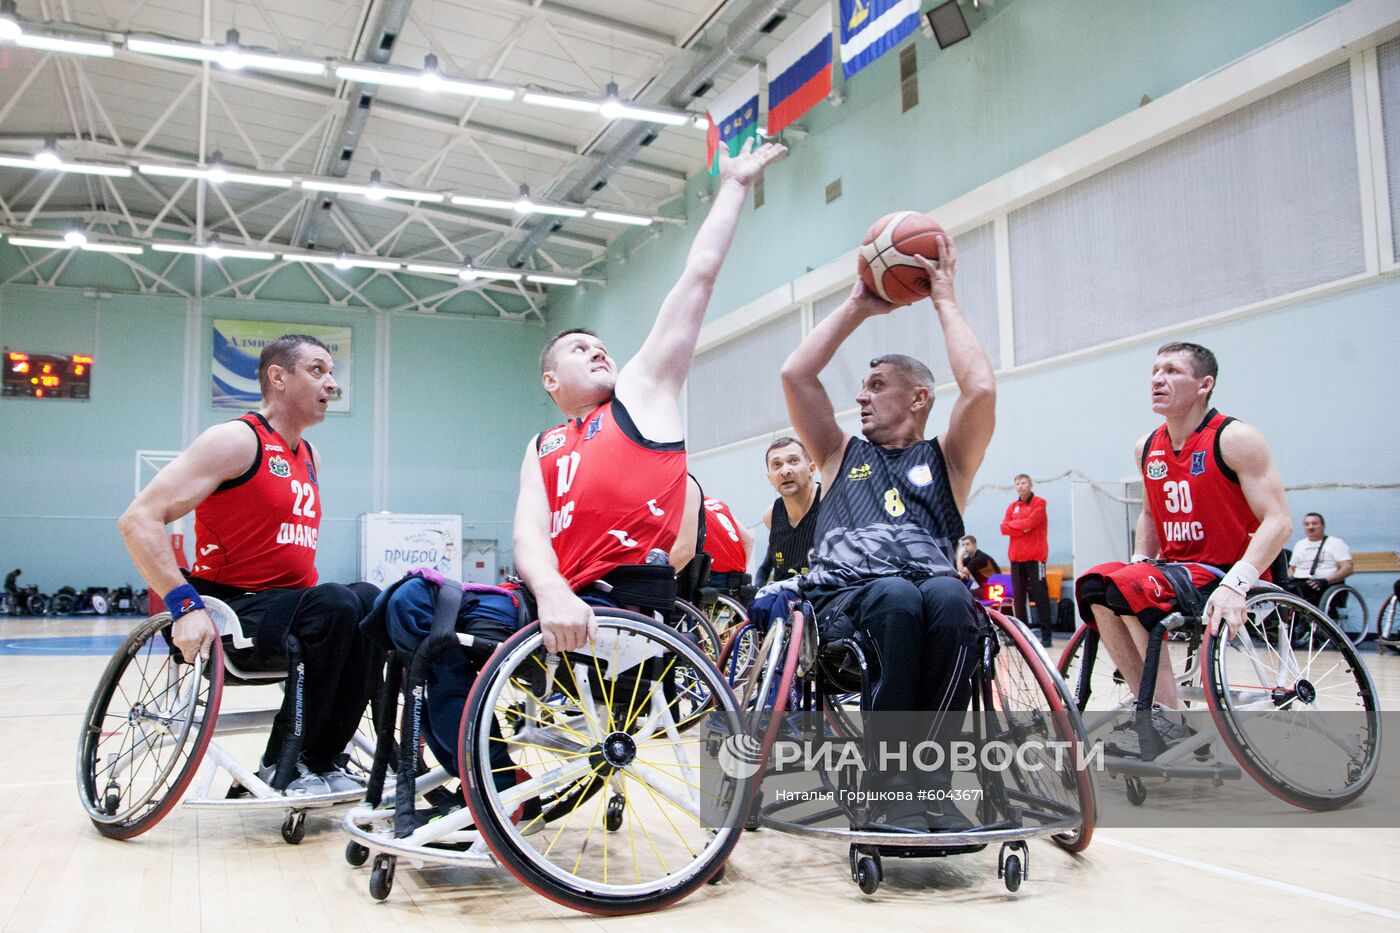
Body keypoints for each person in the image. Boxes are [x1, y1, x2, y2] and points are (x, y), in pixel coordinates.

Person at [375, 138, 787, 778]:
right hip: (550, 606)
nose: (598, 352)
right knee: (405, 605)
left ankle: (483, 784)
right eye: (579, 349)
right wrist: (552, 592)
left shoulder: (642, 397)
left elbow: (697, 277)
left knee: (414, 608)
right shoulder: (542, 445)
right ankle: (491, 779)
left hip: (621, 611)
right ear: (549, 380)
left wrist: (733, 185)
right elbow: (527, 536)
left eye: (601, 346)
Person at [780, 229, 996, 831]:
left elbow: (979, 388)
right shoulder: (837, 452)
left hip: (928, 597)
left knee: (952, 595)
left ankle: (931, 784)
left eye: (877, 385)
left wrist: (944, 298)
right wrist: (858, 304)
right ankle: (886, 782)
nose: (861, 396)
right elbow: (797, 376)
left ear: (920, 397)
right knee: (898, 595)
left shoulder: (947, 460)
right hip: (846, 601)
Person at [118, 334, 379, 795]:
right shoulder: (236, 440)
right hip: (228, 609)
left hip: (290, 607)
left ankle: (323, 759)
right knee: (338, 604)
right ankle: (284, 764)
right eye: (318, 370)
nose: (332, 383)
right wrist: (183, 605)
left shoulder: (310, 455)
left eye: (332, 373)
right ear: (278, 377)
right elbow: (138, 519)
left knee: (370, 600)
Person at [1074, 342, 1291, 757]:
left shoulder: (1235, 438)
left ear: (1204, 384)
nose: (1158, 379)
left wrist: (1239, 583)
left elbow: (1279, 521)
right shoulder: (1147, 447)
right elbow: (1151, 516)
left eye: (1172, 371)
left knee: (1129, 586)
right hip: (1176, 571)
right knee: (1094, 585)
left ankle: (1167, 721)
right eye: (1155, 371)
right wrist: (1140, 558)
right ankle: (1152, 710)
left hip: (1230, 572)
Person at [755, 437, 822, 587]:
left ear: (811, 468)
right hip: (786, 600)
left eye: (793, 461)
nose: (785, 471)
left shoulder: (832, 502)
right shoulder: (771, 515)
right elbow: (766, 567)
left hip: (828, 598)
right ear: (770, 478)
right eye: (777, 465)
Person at [1001, 474, 1054, 647]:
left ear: (1030, 484)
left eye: (1023, 483)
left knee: (1040, 596)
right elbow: (1003, 527)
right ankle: (1021, 636)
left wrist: (1016, 527)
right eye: (1017, 483)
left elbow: (1032, 521)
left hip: (1036, 558)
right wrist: (1022, 529)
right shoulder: (1012, 506)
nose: (1020, 486)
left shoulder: (1039, 503)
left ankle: (1046, 635)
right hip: (1016, 559)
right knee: (1018, 598)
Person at [1287, 512, 1353, 605]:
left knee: (1297, 589)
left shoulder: (1335, 543)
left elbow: (1348, 568)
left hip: (1323, 583)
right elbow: (1292, 568)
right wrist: (1288, 579)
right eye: (1307, 524)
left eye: (1314, 523)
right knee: (1281, 588)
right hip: (1299, 581)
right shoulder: (1300, 544)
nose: (1310, 527)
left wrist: (1326, 581)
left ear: (1323, 525)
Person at [701, 494, 755, 589]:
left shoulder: (689, 506)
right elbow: (749, 539)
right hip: (738, 577)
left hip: (712, 575)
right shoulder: (717, 504)